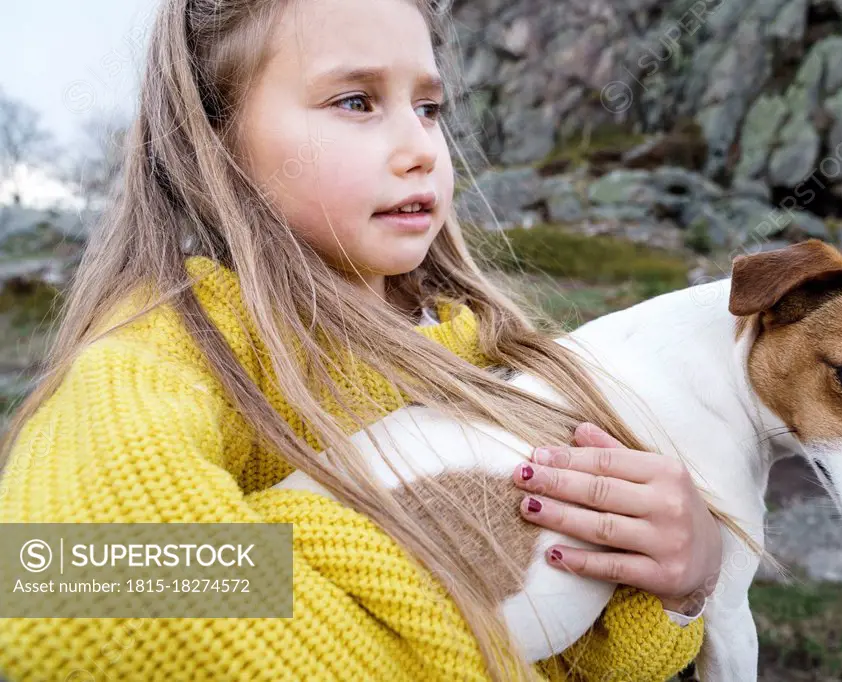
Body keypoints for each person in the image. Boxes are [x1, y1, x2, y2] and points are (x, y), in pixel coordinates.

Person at [0, 0, 723, 679]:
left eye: (429, 106)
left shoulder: (498, 352)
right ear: (215, 142)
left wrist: (676, 586)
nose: (420, 149)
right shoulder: (181, 346)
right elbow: (66, 578)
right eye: (355, 101)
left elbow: (582, 648)